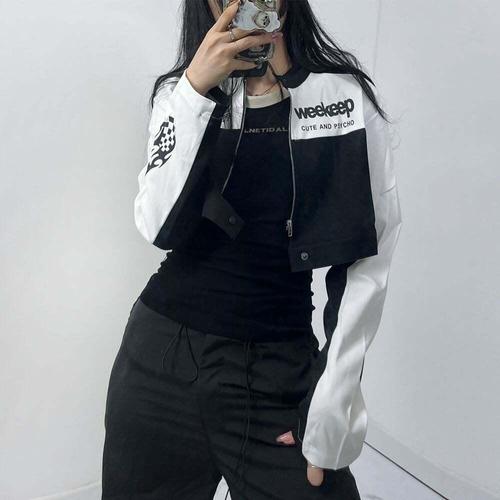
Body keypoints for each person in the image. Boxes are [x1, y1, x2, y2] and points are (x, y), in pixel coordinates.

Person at [101, 0, 403, 498]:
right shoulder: (179, 93)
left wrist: (329, 408)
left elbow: (369, 260)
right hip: (159, 364)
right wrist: (195, 91)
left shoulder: (342, 99)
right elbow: (158, 226)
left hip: (276, 369)